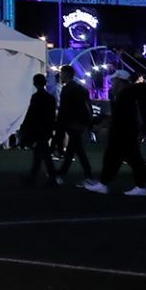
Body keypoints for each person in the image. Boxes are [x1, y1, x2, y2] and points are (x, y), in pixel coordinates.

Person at [99, 73, 146, 197]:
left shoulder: (125, 94)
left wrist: (104, 124)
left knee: (120, 158)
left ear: (119, 81)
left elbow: (120, 116)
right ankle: (145, 183)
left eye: (114, 81)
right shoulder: (127, 94)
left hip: (123, 132)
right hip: (127, 132)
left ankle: (141, 185)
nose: (112, 83)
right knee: (131, 159)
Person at [55, 63, 106, 193]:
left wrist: (60, 124)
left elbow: (64, 109)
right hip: (80, 123)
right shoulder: (81, 89)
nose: (60, 76)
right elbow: (87, 106)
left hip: (72, 123)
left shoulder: (67, 89)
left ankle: (88, 176)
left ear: (66, 74)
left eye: (61, 74)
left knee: (78, 150)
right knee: (72, 150)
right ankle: (62, 173)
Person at [19, 71, 59, 186]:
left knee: (42, 153)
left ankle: (46, 177)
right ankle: (38, 176)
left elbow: (31, 113)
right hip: (46, 128)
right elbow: (52, 115)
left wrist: (24, 126)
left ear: (35, 83)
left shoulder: (36, 97)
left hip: (37, 128)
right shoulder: (50, 98)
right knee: (42, 152)